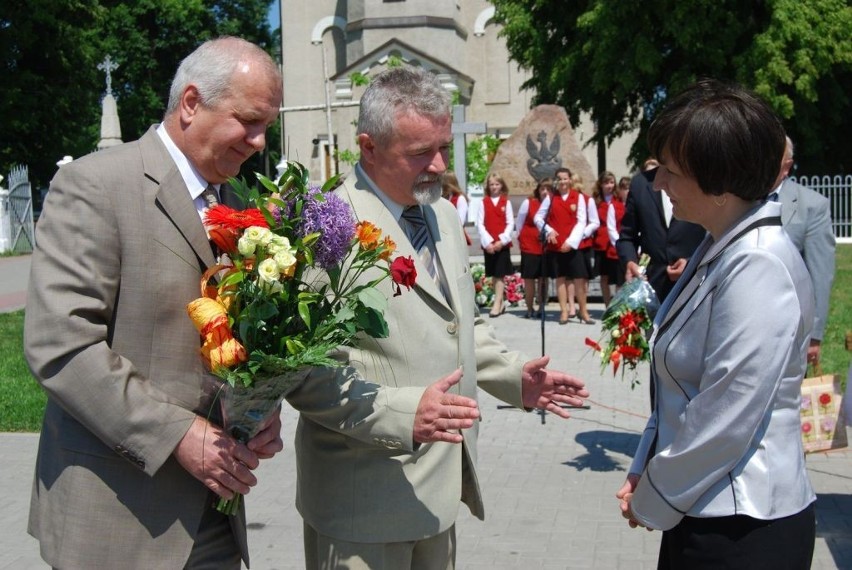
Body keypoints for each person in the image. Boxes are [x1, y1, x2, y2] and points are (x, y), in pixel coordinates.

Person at [285, 65, 589, 570]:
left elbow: (462, 323)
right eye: (420, 153)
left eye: (443, 147)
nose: (440, 165)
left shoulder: (442, 215)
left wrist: (512, 376)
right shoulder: (325, 226)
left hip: (439, 494)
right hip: (363, 506)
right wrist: (406, 413)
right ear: (368, 147)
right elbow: (303, 371)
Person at [24, 37, 285, 569]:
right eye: (249, 121)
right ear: (191, 103)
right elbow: (62, 344)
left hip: (214, 516)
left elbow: (234, 339)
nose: (260, 142)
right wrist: (178, 435)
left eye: (267, 127)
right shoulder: (95, 184)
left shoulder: (235, 203)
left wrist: (257, 408)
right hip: (118, 519)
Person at [616, 79, 817, 569]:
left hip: (742, 525)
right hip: (705, 507)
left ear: (721, 183)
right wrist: (646, 464)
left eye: (671, 171)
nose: (658, 184)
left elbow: (726, 411)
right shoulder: (722, 244)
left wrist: (654, 497)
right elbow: (679, 385)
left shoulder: (758, 264)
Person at [771, 136, 836, 367]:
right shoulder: (736, 198)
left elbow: (820, 274)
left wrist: (814, 336)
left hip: (789, 333)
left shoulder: (812, 206)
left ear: (787, 165)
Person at [616, 163, 705, 304]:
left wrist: (691, 263)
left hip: (693, 287)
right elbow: (627, 237)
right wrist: (630, 261)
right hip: (650, 289)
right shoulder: (641, 183)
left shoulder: (701, 179)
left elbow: (716, 234)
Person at [534, 167, 594, 324]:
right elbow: (538, 218)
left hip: (573, 245)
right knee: (560, 279)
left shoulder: (578, 197)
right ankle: (564, 311)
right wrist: (549, 231)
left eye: (565, 178)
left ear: (570, 180)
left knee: (579, 279)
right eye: (559, 179)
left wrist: (571, 242)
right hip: (556, 246)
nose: (562, 182)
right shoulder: (551, 198)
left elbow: (582, 221)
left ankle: (583, 311)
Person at [477, 173, 515, 317]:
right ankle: (501, 302)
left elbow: (510, 223)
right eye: (492, 184)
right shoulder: (483, 202)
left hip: (502, 245)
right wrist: (488, 242)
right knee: (494, 274)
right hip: (489, 246)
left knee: (500, 274)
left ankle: (497, 303)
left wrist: (501, 240)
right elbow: (480, 223)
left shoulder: (506, 202)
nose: (494, 187)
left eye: (497, 184)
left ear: (502, 186)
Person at [516, 177, 552, 318]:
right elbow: (519, 223)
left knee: (543, 278)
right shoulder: (529, 202)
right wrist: (521, 239)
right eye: (542, 189)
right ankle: (529, 308)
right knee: (529, 278)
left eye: (548, 189)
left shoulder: (553, 204)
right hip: (529, 244)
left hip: (546, 245)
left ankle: (542, 306)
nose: (545, 192)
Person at [591, 171, 618, 305]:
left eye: (611, 182)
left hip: (615, 243)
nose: (609, 186)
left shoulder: (618, 199)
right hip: (601, 243)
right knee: (604, 276)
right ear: (600, 185)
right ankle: (607, 304)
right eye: (606, 183)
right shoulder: (596, 201)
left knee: (618, 277)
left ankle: (617, 304)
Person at [603, 174, 629, 295]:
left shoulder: (637, 205)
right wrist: (620, 245)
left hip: (636, 249)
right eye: (624, 188)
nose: (626, 191)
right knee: (620, 282)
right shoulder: (614, 206)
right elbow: (611, 228)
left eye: (629, 188)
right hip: (618, 249)